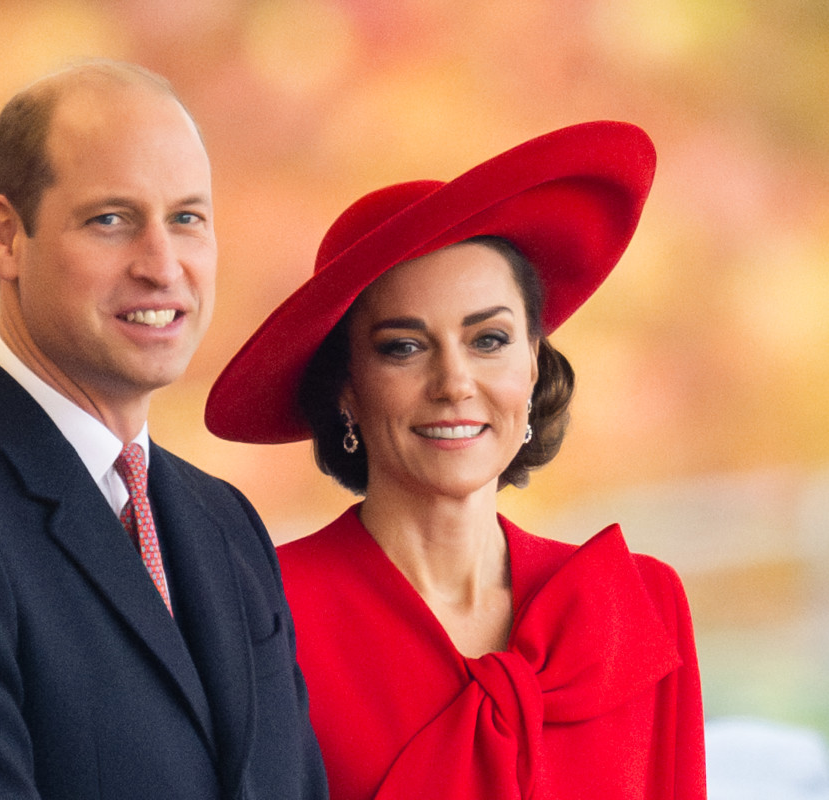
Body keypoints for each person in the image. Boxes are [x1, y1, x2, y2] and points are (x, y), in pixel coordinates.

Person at [0, 60, 328, 800]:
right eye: (111, 219)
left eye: (186, 218)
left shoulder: (224, 524)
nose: (162, 264)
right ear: (8, 237)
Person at [205, 121, 706, 799]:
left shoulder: (637, 607)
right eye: (404, 347)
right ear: (345, 384)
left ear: (532, 362)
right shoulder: (260, 620)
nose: (454, 383)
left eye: (489, 339)